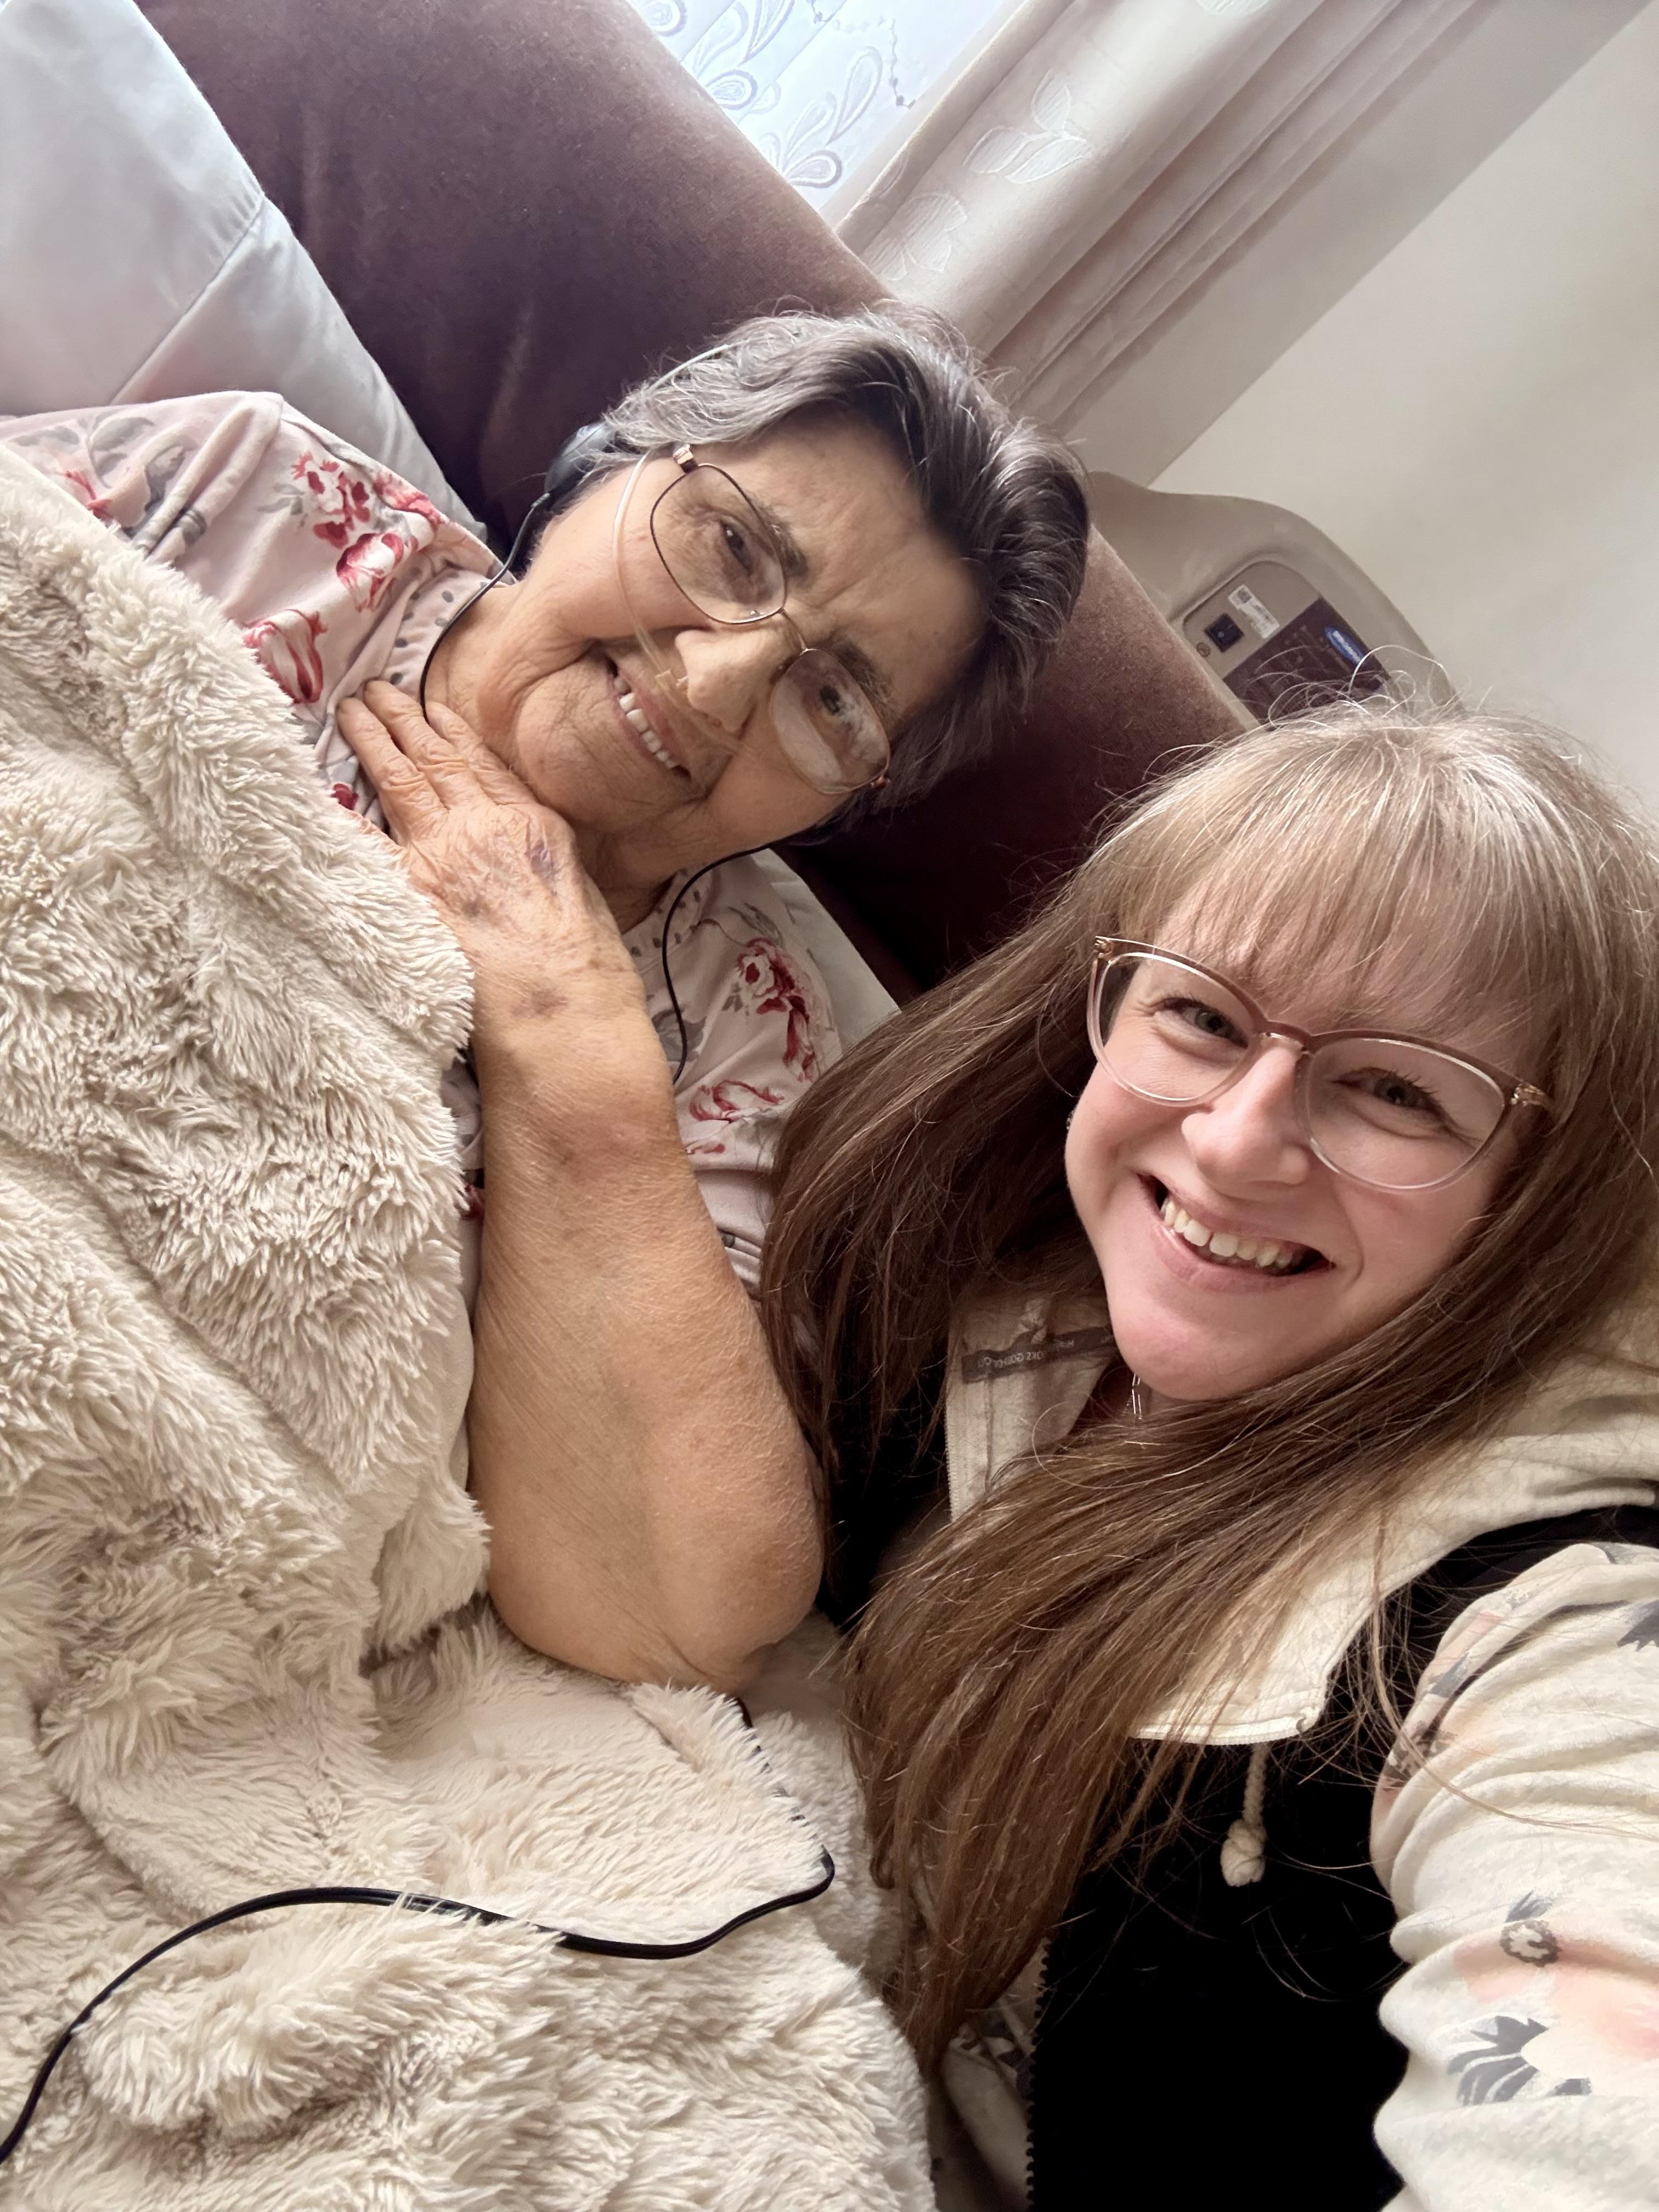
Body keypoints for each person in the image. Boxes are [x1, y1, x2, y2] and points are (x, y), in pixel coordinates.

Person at [1, 306, 1091, 1693]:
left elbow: (671, 1606)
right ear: (612, 463)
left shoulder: (747, 1029)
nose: (714, 682)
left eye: (832, 700)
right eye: (733, 547)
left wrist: (565, 1027)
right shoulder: (263, 511)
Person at [760, 706, 1659, 2208]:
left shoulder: (1552, 1632)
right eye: (1202, 1017)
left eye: (1394, 1091)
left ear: (1537, 1198)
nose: (1240, 1143)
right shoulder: (988, 1275)